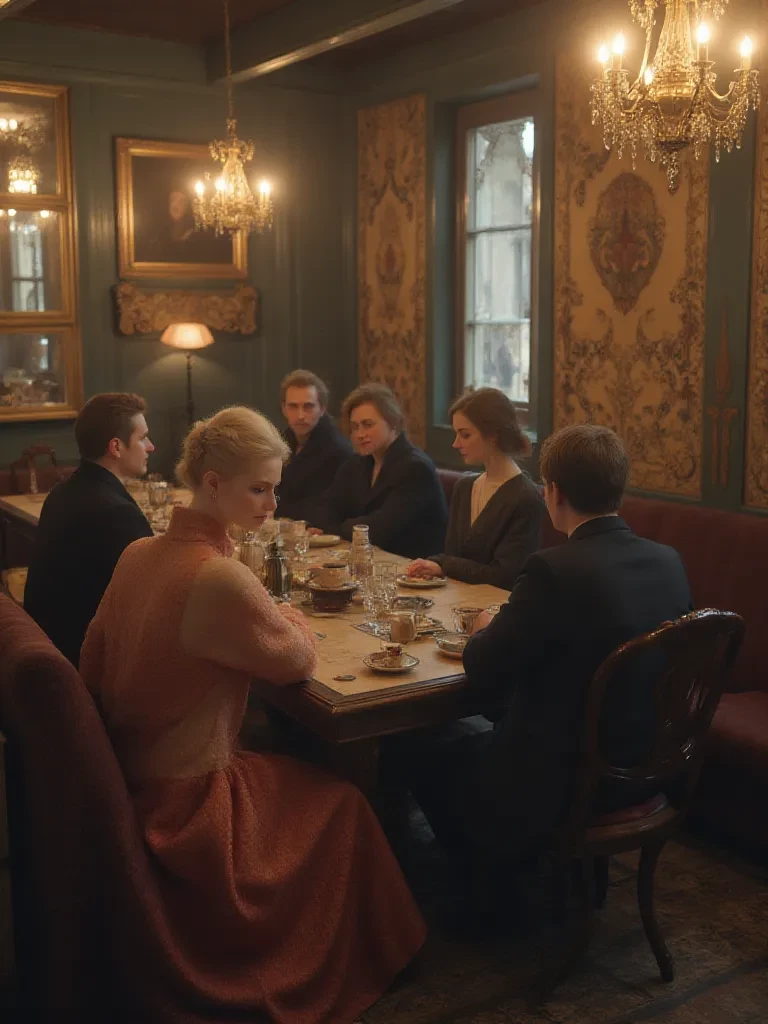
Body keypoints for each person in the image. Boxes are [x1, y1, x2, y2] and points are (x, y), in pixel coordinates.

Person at [79, 406, 426, 1023]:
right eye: (260, 490)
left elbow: (92, 661)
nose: (272, 504)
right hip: (191, 810)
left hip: (128, 778)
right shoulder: (218, 575)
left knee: (296, 762)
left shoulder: (138, 552)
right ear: (213, 483)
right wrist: (279, 607)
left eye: (275, 489)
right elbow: (298, 658)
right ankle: (380, 954)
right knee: (345, 802)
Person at [400, 424, 693, 869]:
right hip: (647, 766)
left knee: (417, 747)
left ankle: (478, 880)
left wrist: (483, 627)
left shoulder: (553, 571)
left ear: (553, 492)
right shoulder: (668, 561)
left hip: (557, 782)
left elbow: (484, 668)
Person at [24, 392, 154, 667]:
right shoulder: (116, 513)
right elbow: (152, 601)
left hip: (51, 646)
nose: (150, 447)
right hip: (88, 663)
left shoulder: (62, 492)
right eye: (142, 438)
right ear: (116, 447)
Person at [408, 387, 544, 589]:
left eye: (465, 435)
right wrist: (434, 563)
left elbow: (504, 576)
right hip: (456, 597)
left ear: (493, 435)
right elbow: (453, 556)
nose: (455, 444)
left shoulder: (526, 498)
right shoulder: (465, 487)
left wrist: (443, 565)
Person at [313, 383, 448, 558]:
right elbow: (325, 509)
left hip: (412, 565)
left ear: (393, 423)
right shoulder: (358, 462)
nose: (360, 434)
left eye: (368, 425)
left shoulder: (415, 468)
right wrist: (342, 526)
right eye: (355, 427)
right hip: (371, 559)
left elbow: (379, 530)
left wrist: (337, 527)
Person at [275, 368, 352, 522]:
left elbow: (322, 510)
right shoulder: (280, 441)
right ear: (284, 409)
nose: (300, 416)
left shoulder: (338, 450)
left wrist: (275, 507)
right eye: (293, 406)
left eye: (308, 406)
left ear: (322, 409)